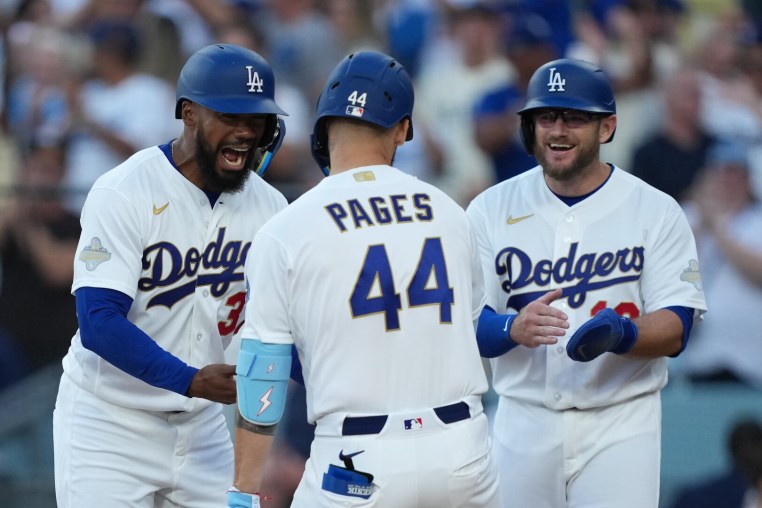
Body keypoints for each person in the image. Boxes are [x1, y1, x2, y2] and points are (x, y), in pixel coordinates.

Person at [227, 50, 499, 508]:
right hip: (463, 452)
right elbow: (472, 330)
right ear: (403, 129)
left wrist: (244, 490)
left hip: (358, 461)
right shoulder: (452, 213)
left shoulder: (287, 228)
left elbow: (263, 373)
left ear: (324, 127)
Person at [52, 43, 289, 508]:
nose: (245, 132)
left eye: (256, 120)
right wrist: (191, 379)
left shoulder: (270, 208)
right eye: (230, 116)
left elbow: (282, 327)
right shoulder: (125, 190)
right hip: (110, 424)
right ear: (189, 113)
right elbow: (98, 320)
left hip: (203, 431)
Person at [465, 58, 708, 507]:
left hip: (620, 422)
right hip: (523, 418)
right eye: (546, 117)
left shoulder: (654, 209)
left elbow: (678, 324)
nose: (558, 131)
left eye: (575, 118)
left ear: (607, 127)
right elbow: (463, 323)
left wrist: (624, 333)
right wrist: (510, 328)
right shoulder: (488, 209)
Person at [671, 140, 762, 388]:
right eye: (719, 172)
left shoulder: (756, 221)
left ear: (746, 179)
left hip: (749, 362)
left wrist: (719, 231)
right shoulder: (688, 216)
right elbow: (670, 270)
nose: (725, 180)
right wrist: (702, 223)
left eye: (733, 173)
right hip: (697, 358)